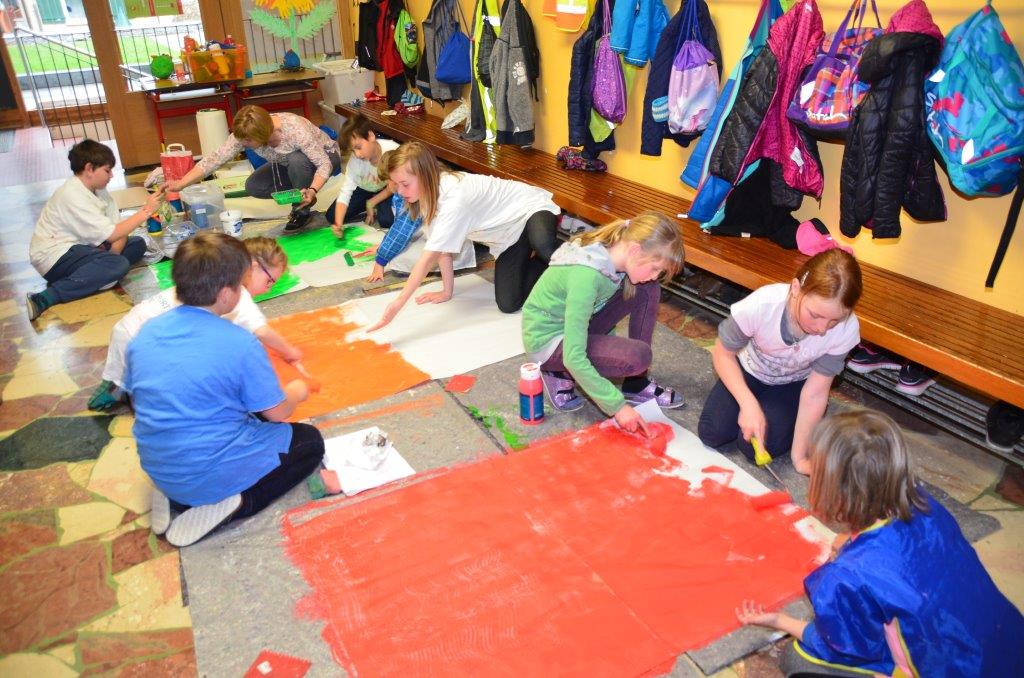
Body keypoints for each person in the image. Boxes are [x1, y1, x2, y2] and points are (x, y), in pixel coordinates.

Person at [736, 410, 1024, 677]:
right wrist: (850, 543)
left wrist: (780, 621)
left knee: (796, 660)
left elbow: (843, 646)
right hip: (1008, 642)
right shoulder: (925, 503)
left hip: (954, 670)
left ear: (835, 494)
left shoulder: (846, 577)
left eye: (816, 471)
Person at [124, 232, 323, 547]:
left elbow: (143, 398)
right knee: (309, 442)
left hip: (158, 465)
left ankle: (173, 493)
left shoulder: (146, 332)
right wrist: (298, 390)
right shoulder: (240, 342)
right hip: (204, 475)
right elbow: (277, 413)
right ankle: (237, 502)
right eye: (241, 284)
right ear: (227, 294)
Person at [89, 237, 302, 411]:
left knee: (126, 370)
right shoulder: (237, 293)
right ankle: (130, 393)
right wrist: (290, 351)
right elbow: (262, 332)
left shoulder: (208, 275)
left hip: (127, 327)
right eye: (269, 281)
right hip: (146, 344)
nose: (268, 289)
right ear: (252, 267)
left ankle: (116, 385)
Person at [697, 249, 862, 474]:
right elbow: (722, 354)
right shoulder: (762, 305)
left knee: (751, 448)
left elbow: (815, 393)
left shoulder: (847, 329)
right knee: (712, 433)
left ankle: (791, 415)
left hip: (793, 385)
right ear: (796, 289)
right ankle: (762, 406)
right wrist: (748, 403)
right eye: (815, 315)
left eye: (835, 320)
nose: (822, 329)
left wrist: (800, 457)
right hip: (749, 370)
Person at [366, 142, 560, 330]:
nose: (400, 191)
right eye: (397, 185)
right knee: (508, 304)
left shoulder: (455, 198)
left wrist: (397, 303)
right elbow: (441, 250)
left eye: (404, 184)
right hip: (510, 236)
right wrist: (446, 292)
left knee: (545, 247)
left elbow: (426, 261)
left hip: (531, 209)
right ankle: (542, 262)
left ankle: (571, 254)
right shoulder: (427, 198)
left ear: (424, 175)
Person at [521, 213, 685, 434]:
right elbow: (574, 357)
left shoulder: (610, 258)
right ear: (634, 250)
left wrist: (610, 353)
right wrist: (617, 407)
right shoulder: (587, 276)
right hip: (548, 342)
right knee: (637, 356)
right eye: (655, 268)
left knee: (647, 289)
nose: (655, 275)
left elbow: (598, 308)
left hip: (571, 325)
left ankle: (635, 383)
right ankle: (554, 370)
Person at [27, 139, 164, 321]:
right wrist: (146, 211)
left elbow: (119, 230)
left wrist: (110, 259)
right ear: (89, 168)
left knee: (137, 244)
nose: (111, 176)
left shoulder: (99, 191)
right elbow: (114, 234)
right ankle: (46, 297)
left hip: (83, 249)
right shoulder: (72, 194)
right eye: (107, 171)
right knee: (118, 264)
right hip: (54, 256)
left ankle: (93, 275)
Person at [166, 106, 341, 232]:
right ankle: (300, 192)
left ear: (263, 135)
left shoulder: (295, 129)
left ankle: (301, 210)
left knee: (297, 159)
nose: (243, 144)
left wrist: (312, 189)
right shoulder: (246, 132)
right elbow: (215, 159)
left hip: (325, 157)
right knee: (254, 186)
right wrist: (180, 184)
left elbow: (323, 163)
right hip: (289, 164)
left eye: (248, 141)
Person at [358, 153, 476, 283]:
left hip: (457, 243)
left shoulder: (414, 193)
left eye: (388, 183)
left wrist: (381, 261)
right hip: (442, 237)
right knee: (398, 250)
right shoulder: (407, 189)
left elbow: (402, 231)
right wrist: (382, 247)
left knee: (397, 259)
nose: (389, 187)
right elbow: (399, 227)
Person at [326, 113, 398, 233]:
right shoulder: (355, 161)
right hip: (363, 188)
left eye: (358, 147)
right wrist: (338, 224)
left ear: (370, 136)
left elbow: (395, 186)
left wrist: (372, 202)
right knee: (332, 216)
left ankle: (374, 202)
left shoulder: (392, 151)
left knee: (387, 220)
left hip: (386, 189)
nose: (357, 154)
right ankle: (369, 202)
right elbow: (346, 192)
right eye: (353, 151)